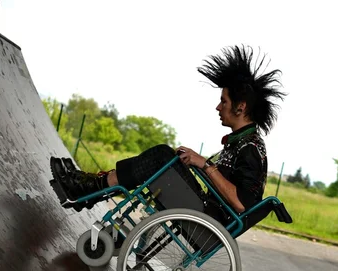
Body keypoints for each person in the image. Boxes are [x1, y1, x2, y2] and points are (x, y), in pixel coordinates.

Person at [50, 44, 286, 226]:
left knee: (161, 157)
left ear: (241, 107)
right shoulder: (242, 142)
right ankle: (92, 186)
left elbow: (242, 204)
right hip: (206, 210)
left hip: (208, 220)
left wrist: (204, 165)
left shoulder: (251, 148)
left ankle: (90, 187)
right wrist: (193, 162)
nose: (218, 107)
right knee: (167, 156)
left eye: (223, 101)